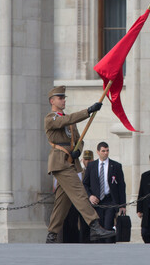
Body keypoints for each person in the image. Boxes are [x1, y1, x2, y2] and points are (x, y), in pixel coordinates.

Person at [44, 85, 116, 243]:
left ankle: (52, 235)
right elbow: (65, 120)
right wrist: (88, 111)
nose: (63, 100)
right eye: (60, 98)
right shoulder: (51, 118)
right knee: (79, 191)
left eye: (64, 98)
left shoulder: (69, 120)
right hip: (59, 163)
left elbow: (78, 140)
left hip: (70, 162)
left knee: (62, 203)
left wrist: (78, 150)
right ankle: (94, 225)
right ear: (52, 101)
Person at [83, 142, 127, 243]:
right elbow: (85, 184)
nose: (105, 153)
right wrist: (90, 196)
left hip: (110, 201)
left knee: (108, 227)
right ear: (98, 152)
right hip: (96, 202)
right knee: (98, 228)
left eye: (107, 151)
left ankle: (109, 246)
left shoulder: (116, 166)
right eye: (103, 151)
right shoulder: (91, 166)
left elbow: (121, 186)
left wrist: (123, 205)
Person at [79, 150, 94, 243]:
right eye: (86, 159)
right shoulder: (79, 172)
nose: (87, 162)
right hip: (82, 202)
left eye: (89, 159)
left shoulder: (95, 170)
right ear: (82, 160)